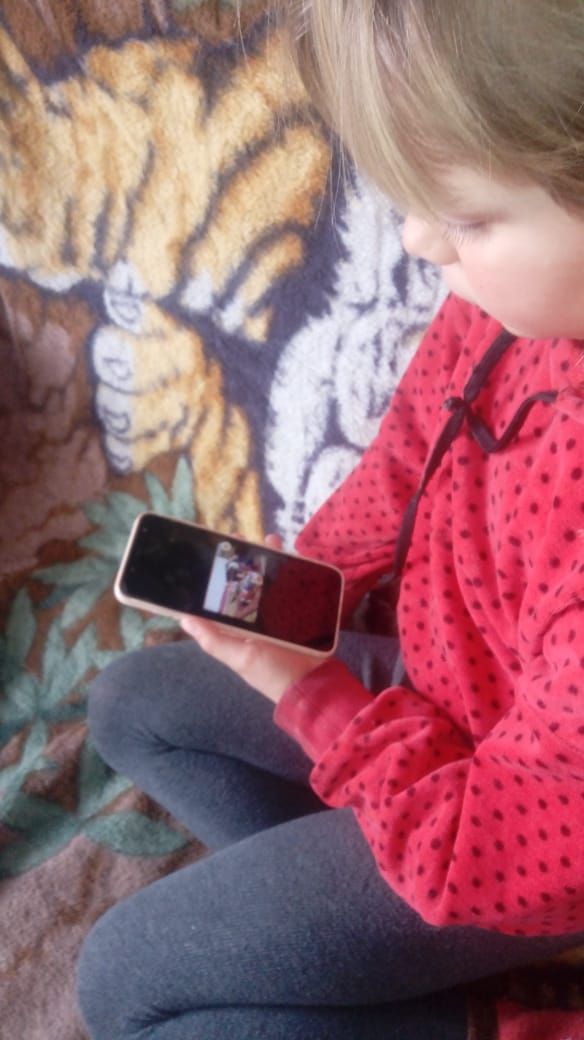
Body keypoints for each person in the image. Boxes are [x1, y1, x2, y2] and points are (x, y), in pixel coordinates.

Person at [77, 2, 584, 1037]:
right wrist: (307, 585)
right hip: (452, 697)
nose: (415, 239)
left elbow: (481, 848)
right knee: (134, 705)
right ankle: (370, 959)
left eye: (466, 218)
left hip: (505, 832)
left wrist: (310, 694)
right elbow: (410, 445)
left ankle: (493, 1015)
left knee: (124, 988)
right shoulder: (509, 303)